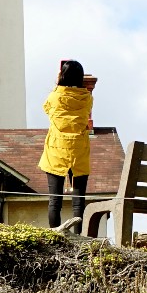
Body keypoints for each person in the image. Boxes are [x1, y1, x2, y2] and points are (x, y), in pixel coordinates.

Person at [39, 59, 93, 230]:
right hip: (79, 152)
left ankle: (55, 237)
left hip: (56, 151)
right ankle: (78, 238)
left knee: (55, 201)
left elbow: (46, 108)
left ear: (61, 76)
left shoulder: (54, 97)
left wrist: (58, 85)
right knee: (78, 202)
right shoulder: (87, 98)